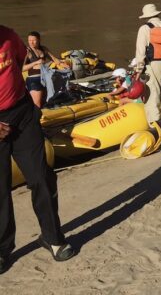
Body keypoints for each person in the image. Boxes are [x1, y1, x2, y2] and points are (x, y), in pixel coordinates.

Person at [1, 25, 76, 274]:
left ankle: (52, 237)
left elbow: (23, 67)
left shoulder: (10, 36)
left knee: (42, 178)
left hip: (22, 115)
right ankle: (2, 249)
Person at [22, 32, 68, 108]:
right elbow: (22, 68)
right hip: (34, 80)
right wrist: (35, 63)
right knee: (37, 105)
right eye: (29, 40)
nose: (31, 42)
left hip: (46, 79)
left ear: (39, 40)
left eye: (34, 40)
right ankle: (35, 118)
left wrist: (63, 65)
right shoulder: (27, 51)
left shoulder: (44, 49)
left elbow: (55, 60)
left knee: (46, 101)